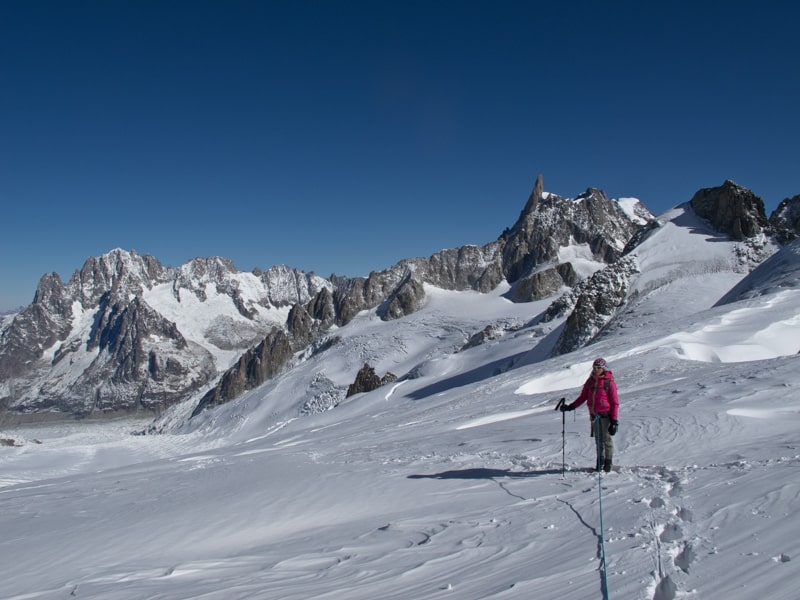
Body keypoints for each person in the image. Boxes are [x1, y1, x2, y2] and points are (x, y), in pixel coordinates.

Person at [560, 358, 619, 472]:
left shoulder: (609, 383)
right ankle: (600, 462)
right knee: (598, 440)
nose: (596, 370)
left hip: (606, 416)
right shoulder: (590, 382)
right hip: (594, 416)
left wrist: (614, 421)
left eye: (598, 368)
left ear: (603, 368)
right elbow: (583, 397)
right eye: (595, 368)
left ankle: (608, 463)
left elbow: (615, 402)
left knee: (606, 440)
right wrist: (571, 407)